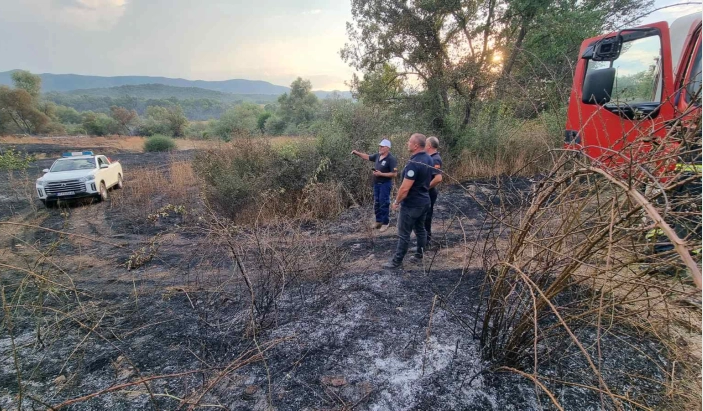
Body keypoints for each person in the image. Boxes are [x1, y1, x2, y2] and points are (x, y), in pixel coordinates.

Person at [383, 133, 434, 269]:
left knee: (404, 233)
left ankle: (396, 261)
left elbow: (405, 188)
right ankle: (419, 254)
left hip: (412, 204)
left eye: (409, 141)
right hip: (424, 201)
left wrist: (397, 201)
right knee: (420, 229)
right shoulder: (429, 158)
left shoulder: (413, 164)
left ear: (416, 145)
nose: (407, 143)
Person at [352, 139, 398, 232]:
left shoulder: (391, 159)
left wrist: (381, 174)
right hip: (376, 183)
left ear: (388, 148)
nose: (380, 148)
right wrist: (357, 153)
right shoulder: (377, 156)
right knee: (377, 202)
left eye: (382, 146)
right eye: (380, 146)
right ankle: (378, 221)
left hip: (385, 184)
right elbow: (367, 157)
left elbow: (394, 174)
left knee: (384, 202)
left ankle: (385, 223)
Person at [425, 136, 443, 246]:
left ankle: (426, 241)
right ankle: (423, 240)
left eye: (425, 143)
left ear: (429, 146)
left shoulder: (435, 159)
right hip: (425, 192)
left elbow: (438, 178)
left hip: (429, 192)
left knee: (427, 216)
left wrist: (425, 188)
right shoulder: (428, 158)